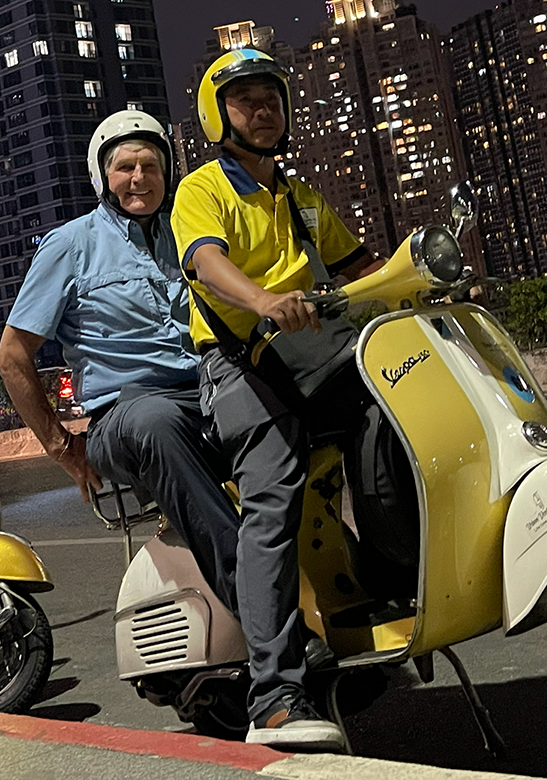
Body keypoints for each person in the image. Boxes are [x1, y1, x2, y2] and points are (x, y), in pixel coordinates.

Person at [169, 48, 386, 752]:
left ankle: (390, 576)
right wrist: (263, 300)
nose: (263, 109)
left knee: (393, 419)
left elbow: (363, 267)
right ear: (217, 115)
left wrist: (428, 277)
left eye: (272, 97)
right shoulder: (203, 189)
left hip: (315, 359)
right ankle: (274, 699)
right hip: (239, 365)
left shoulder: (302, 198)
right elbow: (206, 262)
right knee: (273, 496)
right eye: (245, 99)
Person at [0, 111, 251, 696]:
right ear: (102, 176)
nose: (139, 178)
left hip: (210, 393)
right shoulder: (71, 246)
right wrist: (63, 449)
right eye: (125, 167)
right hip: (127, 413)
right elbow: (12, 356)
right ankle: (263, 615)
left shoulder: (190, 234)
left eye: (151, 166)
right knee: (157, 421)